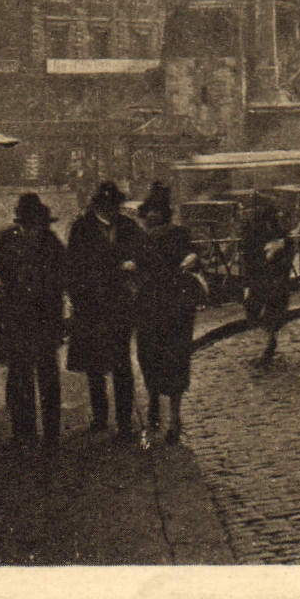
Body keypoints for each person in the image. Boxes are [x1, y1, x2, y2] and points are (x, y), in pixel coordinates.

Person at [65, 181, 145, 441]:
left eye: (116, 206)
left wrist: (135, 266)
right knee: (95, 366)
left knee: (121, 363)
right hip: (92, 306)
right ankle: (100, 417)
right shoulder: (81, 229)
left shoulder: (128, 226)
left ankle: (124, 423)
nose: (114, 211)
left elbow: (145, 254)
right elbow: (74, 268)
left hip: (120, 305)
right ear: (99, 205)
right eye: (109, 206)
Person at [0, 193, 67, 450]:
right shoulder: (4, 240)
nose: (34, 228)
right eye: (29, 222)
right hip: (16, 317)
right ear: (21, 219)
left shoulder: (52, 243)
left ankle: (52, 434)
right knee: (19, 376)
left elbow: (62, 277)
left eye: (38, 223)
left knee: (47, 375)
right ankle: (23, 432)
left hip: (45, 317)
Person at [135, 183, 203, 446]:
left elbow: (195, 254)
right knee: (149, 355)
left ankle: (175, 418)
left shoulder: (178, 234)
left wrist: (191, 259)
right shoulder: (141, 239)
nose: (152, 215)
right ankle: (153, 400)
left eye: (157, 211)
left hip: (174, 306)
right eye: (149, 211)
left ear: (164, 213)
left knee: (175, 359)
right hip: (150, 306)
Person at [241, 193, 293, 363]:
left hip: (271, 274)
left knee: (270, 307)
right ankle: (268, 339)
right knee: (257, 307)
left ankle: (269, 341)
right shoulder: (254, 228)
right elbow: (247, 252)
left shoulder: (272, 227)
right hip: (261, 273)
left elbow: (287, 244)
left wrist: (279, 251)